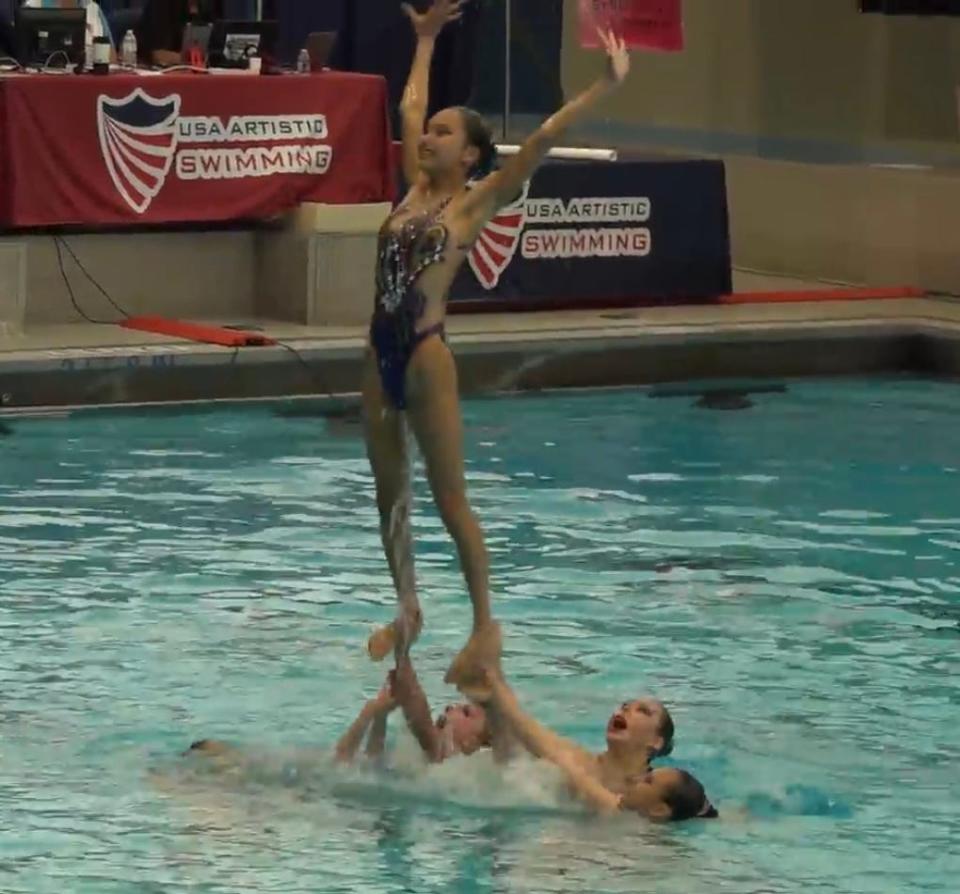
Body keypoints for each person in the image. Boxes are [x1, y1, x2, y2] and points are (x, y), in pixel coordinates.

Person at [362, 0, 631, 695]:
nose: (429, 137)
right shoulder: (411, 191)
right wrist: (424, 42)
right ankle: (409, 608)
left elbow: (539, 142)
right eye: (430, 131)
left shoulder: (470, 206)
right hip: (377, 351)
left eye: (445, 133)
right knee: (389, 494)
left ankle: (485, 625)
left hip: (425, 352)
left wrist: (606, 84)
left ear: (472, 153)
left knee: (450, 499)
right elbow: (407, 108)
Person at [463, 666, 719, 822]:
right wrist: (493, 683)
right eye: (625, 705)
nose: (627, 708)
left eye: (643, 711)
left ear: (656, 741)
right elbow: (524, 725)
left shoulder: (665, 789)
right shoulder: (577, 759)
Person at [135, 0, 222, 67]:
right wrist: (192, 60)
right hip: (155, 75)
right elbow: (158, 55)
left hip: (190, 72)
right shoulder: (161, 5)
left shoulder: (205, 5)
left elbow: (214, 50)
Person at [22, 0, 114, 61]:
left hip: (88, 80)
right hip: (43, 80)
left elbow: (112, 59)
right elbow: (22, 56)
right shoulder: (34, 5)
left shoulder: (93, 8)